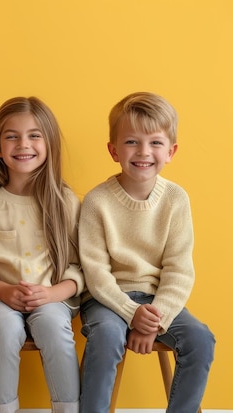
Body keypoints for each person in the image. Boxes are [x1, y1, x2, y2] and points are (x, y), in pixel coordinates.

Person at [78, 92, 215, 413]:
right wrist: (130, 313)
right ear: (113, 150)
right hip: (107, 300)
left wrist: (156, 318)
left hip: (158, 302)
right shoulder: (97, 201)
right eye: (131, 142)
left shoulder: (176, 199)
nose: (143, 152)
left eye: (155, 143)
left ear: (171, 151)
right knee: (106, 339)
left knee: (200, 340)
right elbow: (95, 272)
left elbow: (179, 269)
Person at [0, 97, 83, 413]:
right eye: (11, 136)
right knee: (4, 328)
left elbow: (80, 266)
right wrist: (3, 290)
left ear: (49, 144)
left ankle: (69, 408)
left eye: (34, 135)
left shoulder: (67, 203)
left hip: (52, 299)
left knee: (55, 329)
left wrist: (53, 293)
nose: (23, 144)